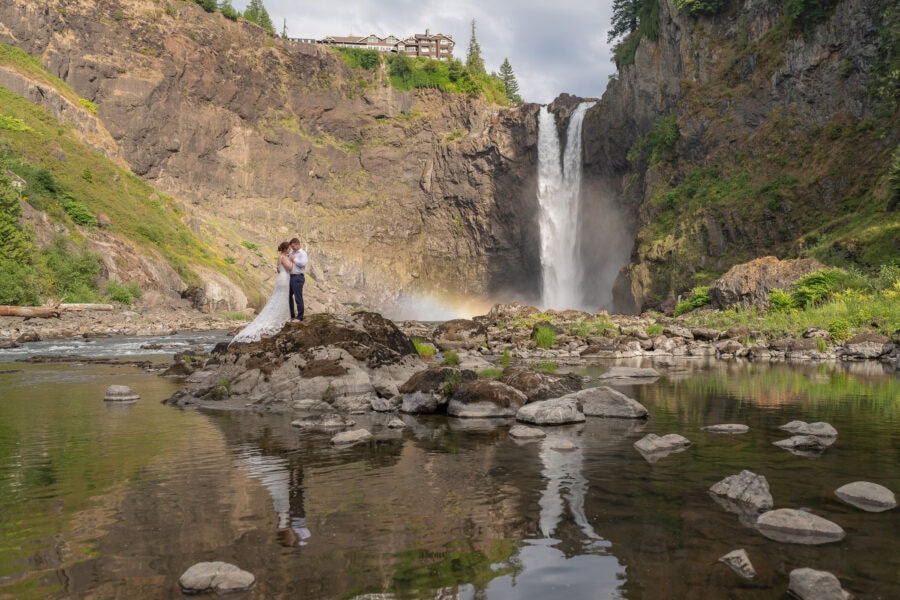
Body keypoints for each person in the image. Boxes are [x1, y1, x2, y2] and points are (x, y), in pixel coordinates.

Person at [229, 241, 294, 344]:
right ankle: (281, 319)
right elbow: (290, 267)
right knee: (282, 299)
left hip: (281, 278)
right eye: (289, 248)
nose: (290, 250)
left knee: (279, 299)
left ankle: (283, 317)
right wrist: (293, 260)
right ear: (285, 249)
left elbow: (278, 270)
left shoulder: (279, 258)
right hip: (284, 279)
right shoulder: (284, 257)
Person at [288, 237, 308, 322]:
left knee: (298, 297)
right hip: (291, 277)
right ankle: (292, 315)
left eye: (293, 246)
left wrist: (294, 259)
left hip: (298, 277)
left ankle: (300, 317)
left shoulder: (302, 253)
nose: (292, 248)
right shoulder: (293, 253)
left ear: (298, 244)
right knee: (288, 296)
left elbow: (303, 264)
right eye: (291, 247)